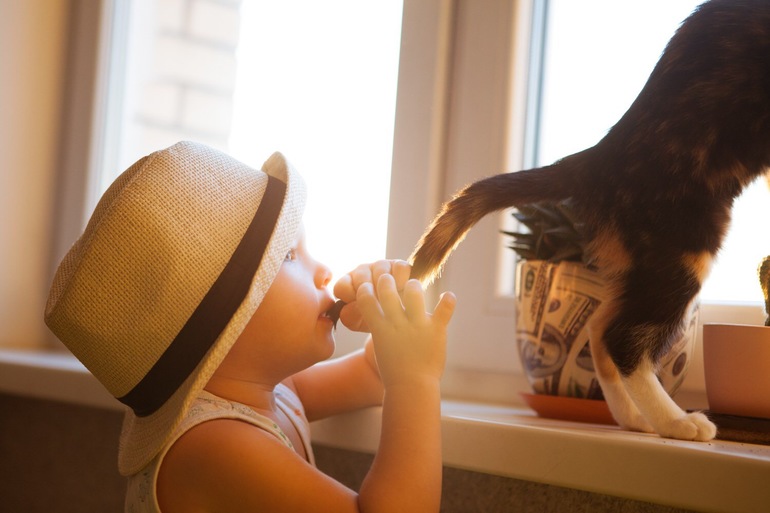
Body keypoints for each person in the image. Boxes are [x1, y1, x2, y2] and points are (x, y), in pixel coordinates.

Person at [44, 141, 456, 512]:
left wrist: (386, 318)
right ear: (225, 321)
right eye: (290, 256)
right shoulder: (216, 445)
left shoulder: (276, 393)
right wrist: (415, 381)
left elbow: (372, 375)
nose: (324, 271)